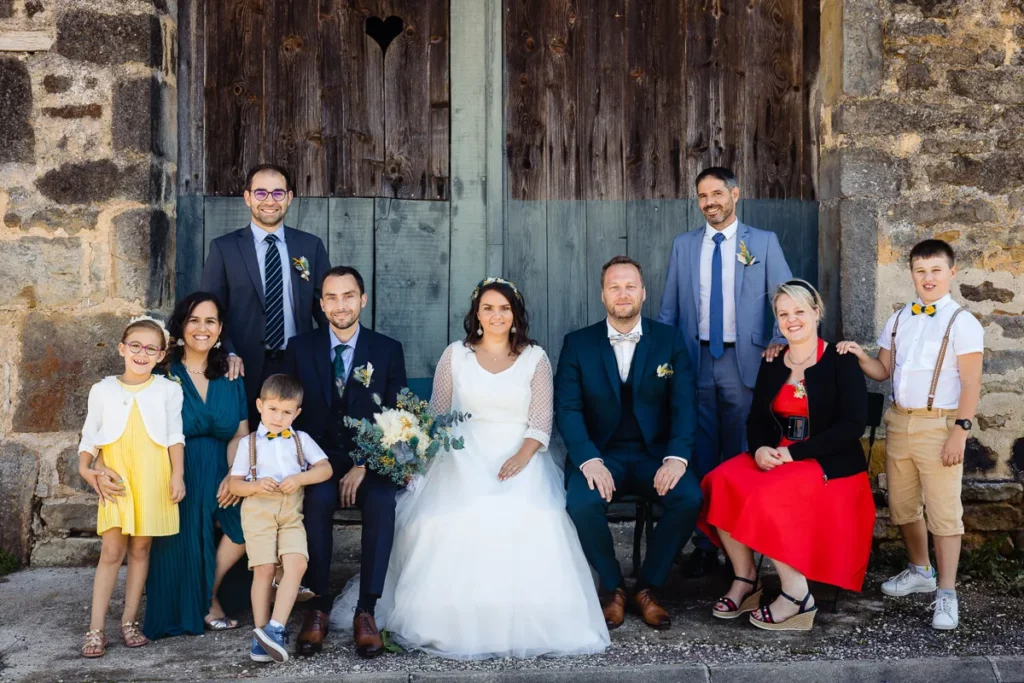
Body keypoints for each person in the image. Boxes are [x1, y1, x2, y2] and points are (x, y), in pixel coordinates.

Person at [331, 276, 610, 659]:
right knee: (443, 518)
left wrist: (522, 456)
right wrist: (416, 460)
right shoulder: (456, 355)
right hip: (459, 453)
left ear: (515, 315)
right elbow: (437, 414)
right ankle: (445, 616)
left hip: (520, 453)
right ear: (476, 314)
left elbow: (541, 421)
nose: (496, 316)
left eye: (504, 308)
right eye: (488, 308)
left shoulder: (535, 358)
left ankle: (526, 618)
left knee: (536, 515)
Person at [698, 280, 874, 631]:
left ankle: (797, 595)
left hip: (830, 464)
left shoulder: (841, 360)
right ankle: (746, 579)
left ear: (816, 312)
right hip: (779, 456)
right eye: (783, 314)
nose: (791, 320)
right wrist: (760, 448)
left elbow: (853, 426)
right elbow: (758, 420)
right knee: (719, 480)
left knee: (768, 494)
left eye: (799, 312)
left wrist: (796, 454)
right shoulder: (774, 361)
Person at [837, 239, 983, 630]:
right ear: (912, 274)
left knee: (944, 512)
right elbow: (884, 371)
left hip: (941, 425)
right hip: (899, 421)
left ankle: (947, 594)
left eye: (936, 270)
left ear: (951, 272)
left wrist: (960, 432)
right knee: (902, 507)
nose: (928, 278)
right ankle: (920, 570)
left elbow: (971, 383)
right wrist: (858, 355)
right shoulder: (900, 318)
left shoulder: (963, 322)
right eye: (921, 271)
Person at [658, 167, 793, 577]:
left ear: (735, 193)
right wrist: (665, 360)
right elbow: (669, 307)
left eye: (717, 193)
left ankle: (740, 548)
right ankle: (703, 544)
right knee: (698, 450)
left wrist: (779, 337)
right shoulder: (684, 246)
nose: (710, 202)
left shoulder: (763, 243)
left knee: (738, 452)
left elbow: (787, 293)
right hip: (695, 360)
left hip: (744, 361)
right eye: (702, 196)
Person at [556, 256, 702, 631]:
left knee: (689, 498)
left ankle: (648, 588)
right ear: (603, 295)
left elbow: (684, 404)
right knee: (582, 502)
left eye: (630, 286)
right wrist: (588, 459)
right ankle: (614, 588)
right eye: (614, 287)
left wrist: (676, 458)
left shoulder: (668, 341)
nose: (623, 294)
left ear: (643, 293)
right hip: (602, 456)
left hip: (655, 455)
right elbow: (568, 409)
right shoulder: (578, 344)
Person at [283, 266, 407, 658]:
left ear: (362, 300)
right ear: (321, 304)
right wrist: (306, 463)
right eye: (332, 298)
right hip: (318, 459)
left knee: (382, 502)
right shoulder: (299, 348)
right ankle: (318, 606)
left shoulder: (387, 349)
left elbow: (397, 418)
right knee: (316, 501)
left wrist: (365, 464)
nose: (341, 305)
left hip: (368, 461)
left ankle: (366, 610)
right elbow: (288, 413)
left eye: (348, 296)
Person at [138, 293, 249, 639]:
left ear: (220, 329)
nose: (202, 329)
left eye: (210, 321)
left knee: (246, 520)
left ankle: (206, 592)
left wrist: (234, 475)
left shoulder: (231, 374)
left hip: (223, 465)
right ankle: (202, 601)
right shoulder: (162, 372)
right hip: (178, 468)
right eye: (194, 320)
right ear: (181, 325)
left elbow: (240, 435)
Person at [77, 317, 185, 657]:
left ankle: (129, 621)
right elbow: (91, 437)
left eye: (151, 348)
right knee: (111, 551)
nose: (142, 353)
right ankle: (95, 628)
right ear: (122, 348)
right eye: (135, 346)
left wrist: (177, 474)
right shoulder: (103, 389)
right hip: (117, 477)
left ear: (161, 354)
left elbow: (174, 436)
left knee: (141, 550)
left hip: (154, 475)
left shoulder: (169, 389)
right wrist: (86, 468)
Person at [200, 163, 330, 429]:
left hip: (299, 362)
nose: (269, 201)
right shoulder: (224, 248)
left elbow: (324, 308)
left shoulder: (310, 246)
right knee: (245, 441)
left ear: (289, 198)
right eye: (261, 193)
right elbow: (210, 311)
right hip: (242, 365)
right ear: (247, 197)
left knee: (301, 438)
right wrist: (229, 352)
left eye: (278, 193)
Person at [228, 374, 333, 663]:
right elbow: (235, 484)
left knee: (297, 563)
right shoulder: (248, 444)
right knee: (263, 569)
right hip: (258, 510)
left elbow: (325, 469)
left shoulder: (301, 440)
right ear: (260, 405)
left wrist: (300, 478)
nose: (279, 417)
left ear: (297, 413)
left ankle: (276, 628)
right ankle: (260, 635)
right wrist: (255, 485)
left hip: (290, 512)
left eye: (287, 412)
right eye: (273, 409)